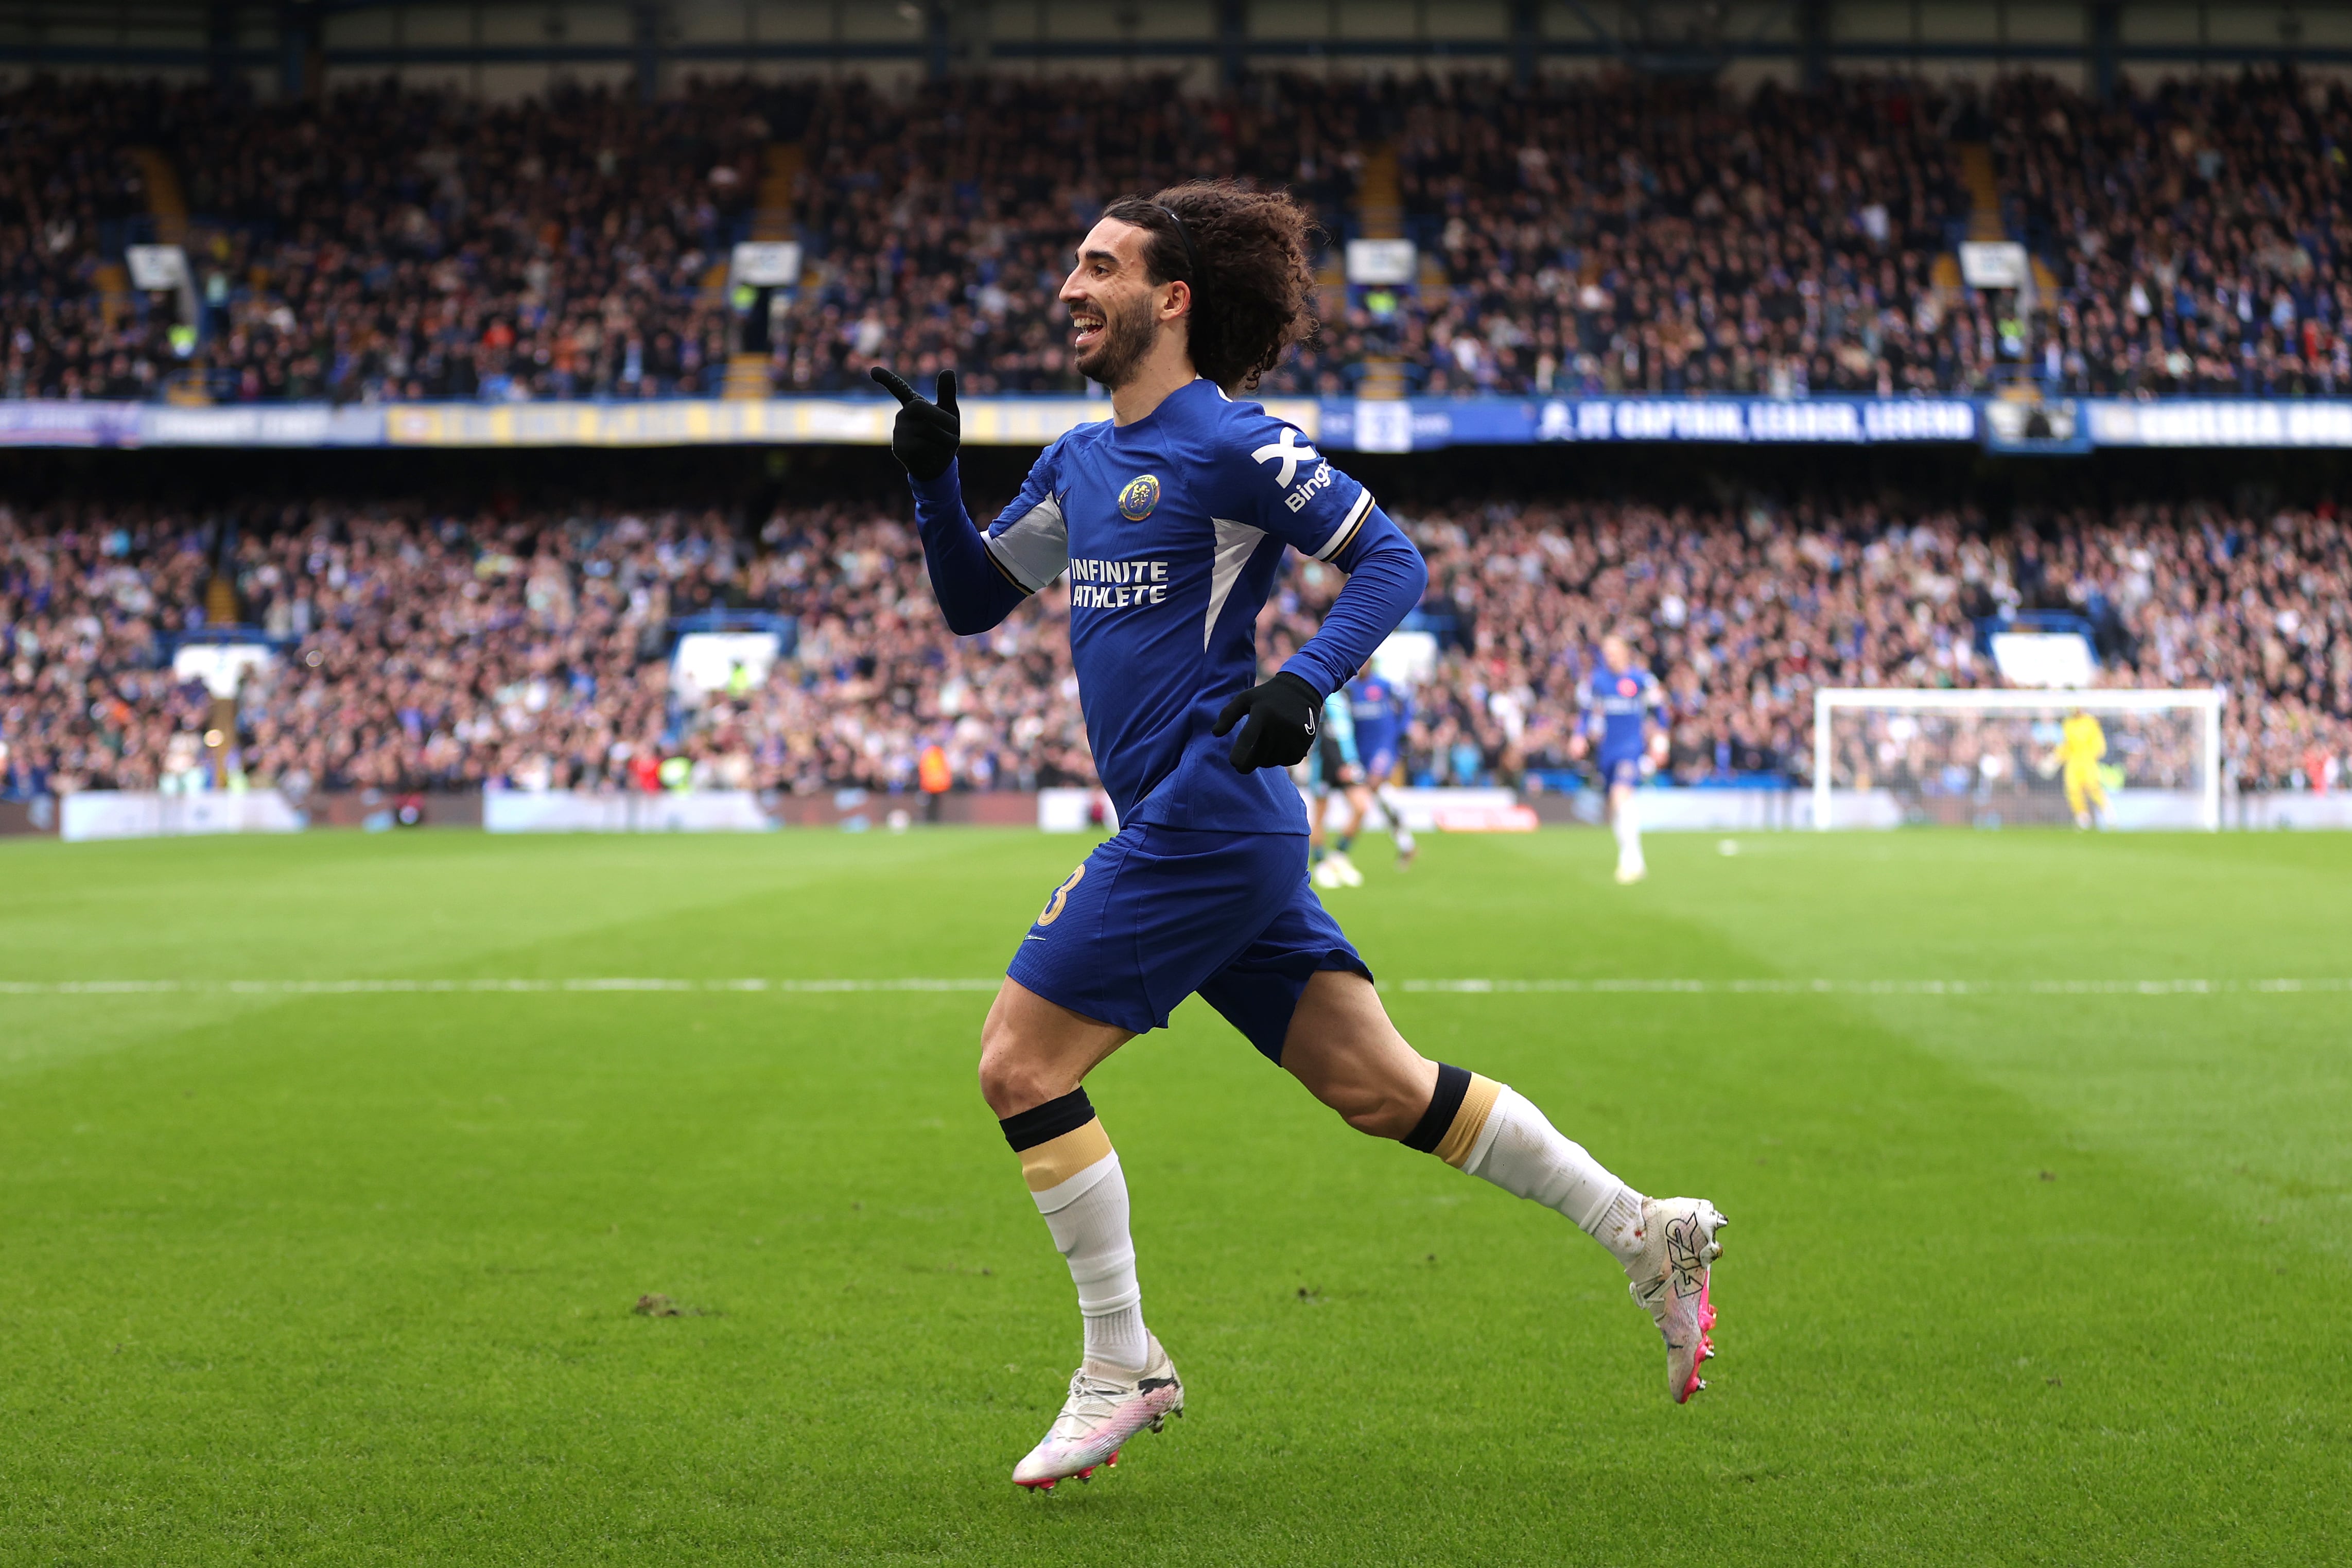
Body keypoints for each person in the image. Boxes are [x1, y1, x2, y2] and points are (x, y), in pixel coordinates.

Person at [869, 180, 1727, 1495]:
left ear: (1171, 297)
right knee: (1379, 1088)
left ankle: (1123, 1364)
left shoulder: (1228, 445)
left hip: (1211, 812)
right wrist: (933, 480)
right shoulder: (1078, 460)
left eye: (1096, 265)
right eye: (1068, 265)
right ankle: (1639, 1228)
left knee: (1015, 1062)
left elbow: (1390, 561)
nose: (1067, 287)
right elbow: (978, 600)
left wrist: (1304, 680)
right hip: (1199, 824)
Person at [1568, 633, 1668, 883]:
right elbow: (1586, 713)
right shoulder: (1598, 681)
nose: (1608, 655)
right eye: (1605, 651)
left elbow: (1661, 713)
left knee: (1621, 794)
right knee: (1615, 807)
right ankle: (1635, 860)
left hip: (1631, 748)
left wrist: (1660, 742)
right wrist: (1579, 736)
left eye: (1613, 650)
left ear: (1625, 652)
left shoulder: (1641, 679)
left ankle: (1630, 861)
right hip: (1607, 751)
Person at [1345, 660, 1418, 868]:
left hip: (1382, 749)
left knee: (1376, 788)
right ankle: (1407, 845)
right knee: (1381, 798)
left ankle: (1341, 852)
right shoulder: (1351, 690)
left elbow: (1407, 703)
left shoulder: (1384, 685)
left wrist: (1401, 730)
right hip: (1361, 752)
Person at [1307, 688, 1369, 888]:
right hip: (1326, 765)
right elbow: (1323, 734)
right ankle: (1320, 864)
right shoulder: (1323, 695)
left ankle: (1339, 855)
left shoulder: (1346, 697)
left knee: (1362, 807)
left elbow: (1347, 733)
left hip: (1348, 765)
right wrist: (1340, 764)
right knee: (1321, 816)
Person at [2048, 708, 2109, 828]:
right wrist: (2056, 757)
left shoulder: (2090, 722)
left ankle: (2106, 811)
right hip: (2073, 761)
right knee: (2073, 790)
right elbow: (2066, 745)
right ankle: (2082, 817)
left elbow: (2098, 743)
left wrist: (2095, 753)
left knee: (2093, 787)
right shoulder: (2068, 724)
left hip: (2088, 760)